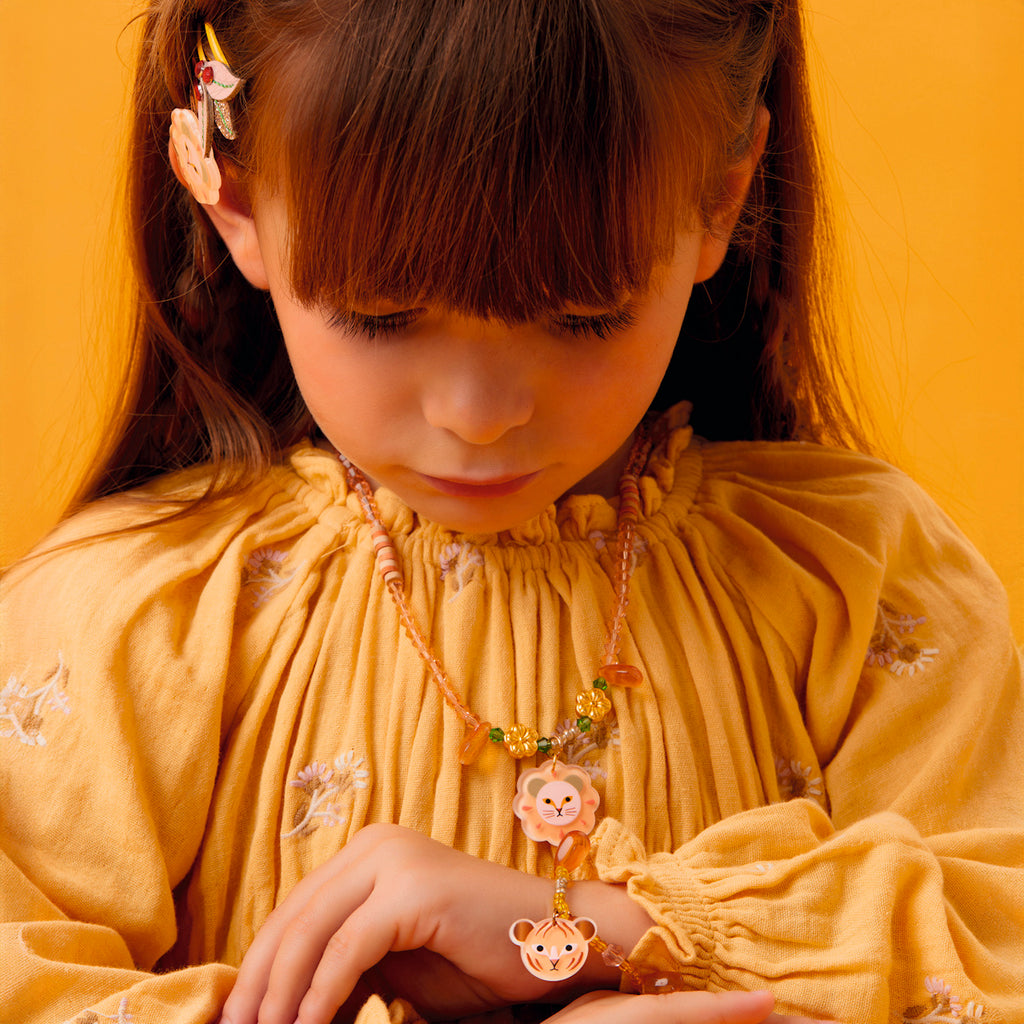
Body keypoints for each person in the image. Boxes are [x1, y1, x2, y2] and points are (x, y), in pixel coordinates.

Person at [1, 1, 1021, 1023]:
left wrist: (599, 932)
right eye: (384, 314)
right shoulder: (131, 621)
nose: (478, 416)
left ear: (723, 193)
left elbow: (991, 942)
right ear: (233, 198)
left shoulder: (857, 578)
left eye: (581, 316)